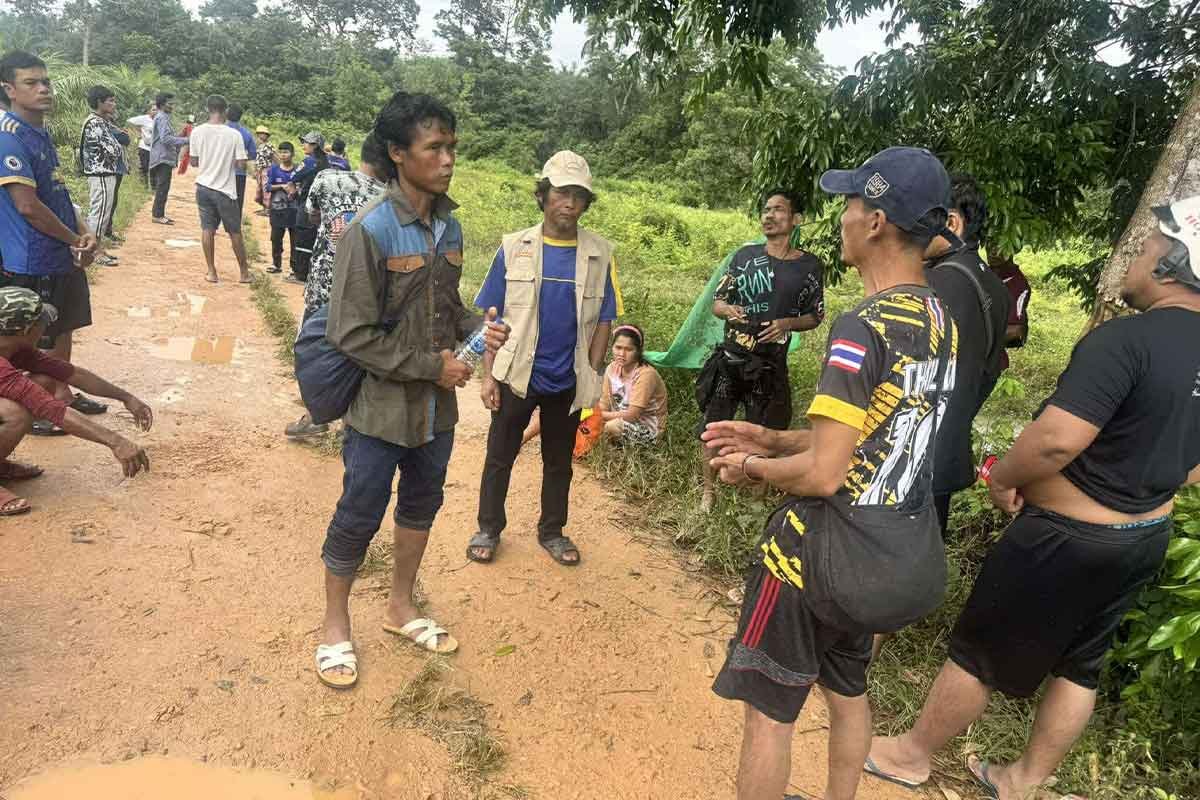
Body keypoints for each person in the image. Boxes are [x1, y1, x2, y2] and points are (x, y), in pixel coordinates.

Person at [865, 193, 1200, 800]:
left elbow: (1053, 443)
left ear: (1173, 264)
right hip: (1144, 535)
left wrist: (1004, 477)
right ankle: (1023, 780)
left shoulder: (1127, 341)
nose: (1137, 253)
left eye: (1150, 244)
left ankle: (911, 756)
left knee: (978, 652)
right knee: (1079, 665)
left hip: (1067, 537)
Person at [702, 146, 959, 800]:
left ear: (874, 221)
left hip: (817, 563)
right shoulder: (938, 321)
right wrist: (773, 435)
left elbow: (822, 476)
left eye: (850, 202)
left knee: (768, 716)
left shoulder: (862, 327)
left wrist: (752, 465)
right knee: (848, 692)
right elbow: (871, 439)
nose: (841, 216)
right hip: (892, 560)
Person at [314, 91, 508, 689]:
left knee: (422, 506)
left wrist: (481, 328)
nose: (447, 158)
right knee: (358, 514)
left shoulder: (450, 228)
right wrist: (432, 367)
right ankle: (334, 625)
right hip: (380, 413)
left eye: (451, 146)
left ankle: (401, 607)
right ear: (399, 153)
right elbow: (350, 333)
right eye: (434, 147)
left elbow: (447, 311)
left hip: (435, 417)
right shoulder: (369, 232)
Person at [467, 150, 623, 567]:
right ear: (543, 196)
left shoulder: (600, 254)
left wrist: (591, 371)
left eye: (577, 195)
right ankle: (488, 527)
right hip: (516, 374)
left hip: (567, 379)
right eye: (560, 193)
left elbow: (605, 319)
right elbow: (492, 317)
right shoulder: (513, 246)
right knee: (500, 455)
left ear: (585, 202)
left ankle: (552, 530)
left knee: (559, 462)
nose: (569, 203)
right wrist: (487, 377)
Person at [698, 189, 825, 513]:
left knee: (764, 435)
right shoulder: (743, 257)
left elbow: (816, 315)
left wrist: (786, 323)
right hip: (731, 360)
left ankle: (755, 501)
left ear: (796, 219)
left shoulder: (810, 266)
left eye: (778, 210)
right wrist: (728, 311)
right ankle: (708, 493)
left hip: (769, 366)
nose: (769, 215)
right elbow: (717, 302)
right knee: (713, 429)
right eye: (765, 210)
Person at [0, 50, 104, 435]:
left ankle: (61, 393)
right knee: (34, 341)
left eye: (46, 81)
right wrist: (75, 239)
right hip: (31, 259)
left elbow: (57, 194)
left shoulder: (40, 133)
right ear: (9, 89)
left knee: (63, 329)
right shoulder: (8, 140)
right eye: (31, 82)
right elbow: (28, 207)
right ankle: (36, 409)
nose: (43, 88)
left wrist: (85, 232)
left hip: (62, 254)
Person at [0, 287, 153, 515]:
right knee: (16, 413)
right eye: (41, 322)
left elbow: (73, 374)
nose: (45, 327)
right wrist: (116, 441)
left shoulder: (13, 347)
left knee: (44, 381)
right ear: (26, 330)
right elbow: (52, 410)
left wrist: (126, 397)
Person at [284, 132, 391, 440]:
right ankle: (352, 425)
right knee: (360, 357)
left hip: (324, 287)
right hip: (365, 293)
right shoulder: (391, 199)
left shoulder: (327, 180)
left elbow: (312, 214)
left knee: (313, 354)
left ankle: (315, 417)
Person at [923, 174, 1010, 533]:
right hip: (949, 449)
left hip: (913, 458)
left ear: (951, 223)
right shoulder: (992, 284)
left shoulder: (936, 284)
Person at [188, 95, 251, 284]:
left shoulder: (197, 132)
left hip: (203, 187)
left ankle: (211, 272)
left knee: (207, 229)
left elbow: (194, 162)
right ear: (225, 110)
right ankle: (244, 273)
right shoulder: (234, 135)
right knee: (234, 231)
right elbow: (241, 165)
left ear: (208, 109)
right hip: (225, 190)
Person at [79, 84, 129, 267]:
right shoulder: (95, 123)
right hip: (100, 172)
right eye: (110, 100)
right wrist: (118, 141)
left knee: (102, 213)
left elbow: (122, 140)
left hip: (104, 172)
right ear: (99, 102)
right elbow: (114, 149)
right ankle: (94, 252)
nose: (113, 104)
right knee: (98, 214)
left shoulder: (102, 121)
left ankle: (98, 249)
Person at [598, 324, 668, 445]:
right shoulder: (611, 368)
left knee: (612, 427)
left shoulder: (646, 374)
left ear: (638, 351)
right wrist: (595, 416)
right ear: (612, 347)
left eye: (628, 349)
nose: (621, 354)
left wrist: (599, 416)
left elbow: (632, 415)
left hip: (646, 428)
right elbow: (604, 402)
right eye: (618, 347)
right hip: (618, 419)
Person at [286, 131, 328, 285]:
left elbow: (292, 178)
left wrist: (293, 193)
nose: (303, 145)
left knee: (302, 238)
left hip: (307, 206)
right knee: (315, 240)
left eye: (306, 142)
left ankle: (300, 274)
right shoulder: (327, 163)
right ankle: (311, 272)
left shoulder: (310, 162)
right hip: (322, 208)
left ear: (315, 145)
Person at [148, 92, 188, 225]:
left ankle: (159, 214)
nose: (172, 106)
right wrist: (186, 140)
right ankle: (158, 215)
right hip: (162, 157)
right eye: (170, 104)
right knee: (163, 186)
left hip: (163, 157)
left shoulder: (163, 117)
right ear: (162, 104)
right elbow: (166, 139)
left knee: (163, 186)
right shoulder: (162, 118)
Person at [989, 250, 1033, 371]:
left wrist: (976, 341)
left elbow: (1015, 330)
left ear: (1013, 248)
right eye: (988, 243)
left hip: (988, 363)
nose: (992, 251)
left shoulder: (1017, 284)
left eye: (999, 245)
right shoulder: (987, 272)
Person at [264, 142, 299, 276]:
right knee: (276, 238)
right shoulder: (274, 169)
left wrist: (295, 189)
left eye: (286, 152)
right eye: (281, 152)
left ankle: (294, 267)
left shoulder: (298, 169)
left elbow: (301, 186)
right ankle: (276, 264)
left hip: (294, 210)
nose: (283, 155)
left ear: (292, 154)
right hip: (277, 210)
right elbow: (268, 187)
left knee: (295, 240)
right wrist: (282, 186)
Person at [225, 104, 256, 212]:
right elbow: (252, 155)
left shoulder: (220, 130)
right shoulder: (247, 134)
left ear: (226, 114)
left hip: (220, 172)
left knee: (218, 202)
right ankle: (235, 226)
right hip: (239, 173)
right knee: (237, 203)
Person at [127, 102, 156, 187]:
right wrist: (139, 130)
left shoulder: (159, 120)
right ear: (149, 111)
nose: (155, 111)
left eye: (157, 110)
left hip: (155, 148)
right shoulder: (144, 119)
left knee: (154, 168)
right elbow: (129, 121)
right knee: (144, 167)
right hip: (144, 147)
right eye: (153, 110)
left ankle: (154, 188)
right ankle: (144, 186)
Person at [253, 125, 276, 214]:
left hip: (267, 169)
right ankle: (264, 207)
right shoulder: (260, 146)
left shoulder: (269, 146)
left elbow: (274, 157)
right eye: (259, 134)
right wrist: (255, 170)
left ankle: (268, 209)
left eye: (262, 134)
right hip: (260, 170)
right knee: (260, 189)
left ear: (266, 135)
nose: (260, 135)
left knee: (266, 188)